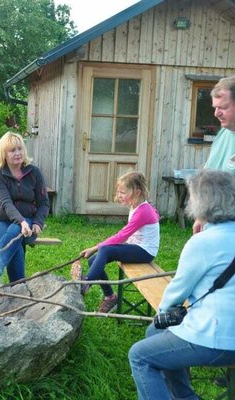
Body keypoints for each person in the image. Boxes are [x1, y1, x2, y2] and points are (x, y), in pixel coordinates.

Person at [128, 170, 235, 400]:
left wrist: (163, 313)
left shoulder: (204, 242)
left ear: (201, 204)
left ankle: (183, 396)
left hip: (218, 339)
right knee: (155, 332)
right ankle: (184, 397)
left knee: (140, 356)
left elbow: (177, 292)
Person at [72, 171, 160, 313]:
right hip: (135, 246)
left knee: (105, 250)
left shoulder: (143, 211)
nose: (119, 196)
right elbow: (154, 215)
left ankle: (86, 284)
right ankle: (110, 297)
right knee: (93, 261)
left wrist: (94, 247)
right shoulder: (137, 206)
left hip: (145, 252)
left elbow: (122, 236)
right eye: (118, 192)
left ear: (137, 192)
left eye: (123, 192)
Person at [0, 131, 49, 286]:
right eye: (12, 150)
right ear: (3, 153)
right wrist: (21, 221)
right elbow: (5, 203)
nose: (18, 153)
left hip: (29, 225)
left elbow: (44, 203)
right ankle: (19, 289)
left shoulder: (34, 172)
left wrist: (37, 222)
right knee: (14, 245)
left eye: (20, 149)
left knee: (15, 232)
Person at [193, 75, 235, 234]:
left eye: (223, 107)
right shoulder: (222, 135)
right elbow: (208, 177)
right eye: (215, 108)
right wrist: (201, 216)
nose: (216, 113)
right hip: (217, 229)